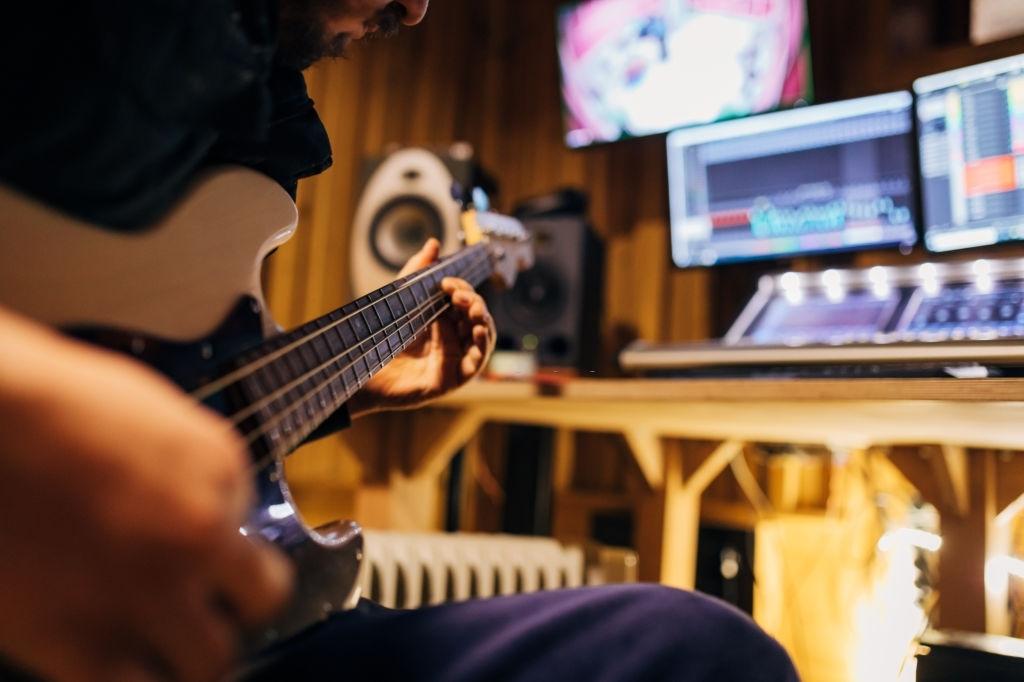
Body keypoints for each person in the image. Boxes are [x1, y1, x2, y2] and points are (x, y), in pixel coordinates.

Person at [0, 1, 799, 681]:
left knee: (696, 647)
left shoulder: (251, 109)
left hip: (193, 621)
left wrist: (351, 386)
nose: (416, 8)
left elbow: (171, 400)